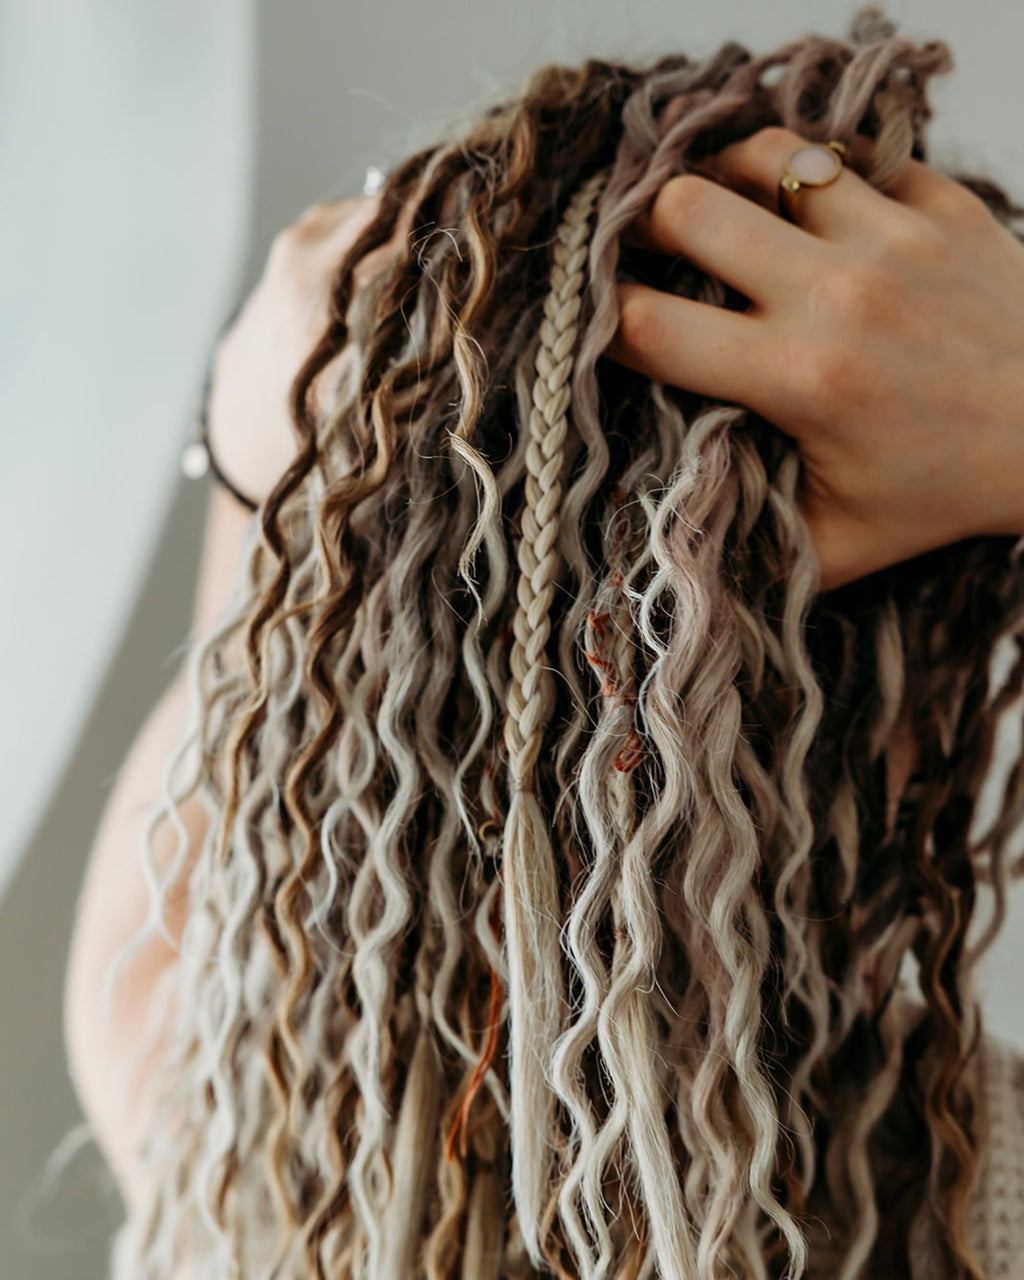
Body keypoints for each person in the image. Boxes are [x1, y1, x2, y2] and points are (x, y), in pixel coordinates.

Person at [64, 7, 1024, 1278]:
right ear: (911, 715)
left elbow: (215, 845)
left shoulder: (256, 1137)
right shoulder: (973, 1201)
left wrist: (267, 475)